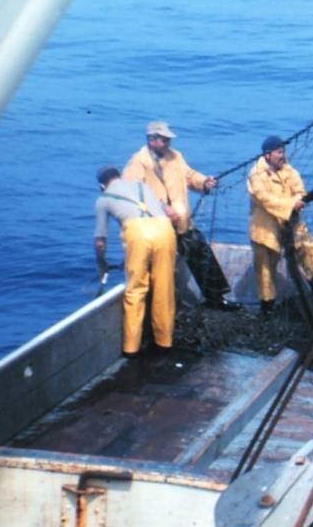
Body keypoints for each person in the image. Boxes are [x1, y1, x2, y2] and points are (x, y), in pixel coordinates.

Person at [123, 120, 241, 311]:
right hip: (157, 229)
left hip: (181, 224)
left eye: (168, 140)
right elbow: (131, 194)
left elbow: (189, 175)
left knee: (202, 252)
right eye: (163, 140)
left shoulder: (175, 157)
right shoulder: (138, 163)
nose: (168, 144)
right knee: (162, 269)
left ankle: (216, 299)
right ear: (151, 140)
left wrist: (204, 182)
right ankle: (165, 308)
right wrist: (161, 207)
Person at [94, 165, 177, 356]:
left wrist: (101, 263)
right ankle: (164, 343)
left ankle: (131, 348)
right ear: (120, 177)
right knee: (164, 287)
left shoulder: (103, 199)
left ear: (102, 185)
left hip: (137, 233)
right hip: (164, 229)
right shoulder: (142, 186)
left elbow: (100, 242)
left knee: (136, 289)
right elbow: (172, 214)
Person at [248, 136, 313, 315]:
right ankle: (267, 308)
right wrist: (292, 204)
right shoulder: (256, 174)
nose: (283, 156)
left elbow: (300, 191)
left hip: (291, 223)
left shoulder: (289, 170)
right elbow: (264, 199)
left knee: (311, 249)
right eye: (279, 152)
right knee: (266, 268)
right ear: (268, 155)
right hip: (265, 228)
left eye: (283, 152)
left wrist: (298, 200)